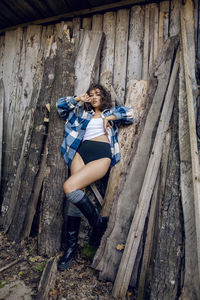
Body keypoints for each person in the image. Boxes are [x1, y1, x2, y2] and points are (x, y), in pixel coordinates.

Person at [56, 84, 134, 271]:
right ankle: (71, 248)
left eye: (97, 94)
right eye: (91, 95)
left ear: (104, 97)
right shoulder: (81, 112)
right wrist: (78, 99)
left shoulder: (111, 112)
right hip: (79, 153)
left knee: (69, 187)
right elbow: (60, 106)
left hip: (101, 154)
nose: (94, 97)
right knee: (75, 195)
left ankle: (98, 224)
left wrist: (111, 117)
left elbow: (130, 114)